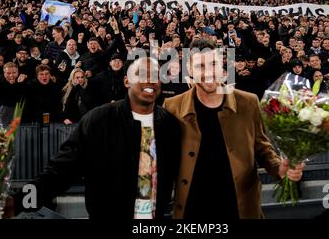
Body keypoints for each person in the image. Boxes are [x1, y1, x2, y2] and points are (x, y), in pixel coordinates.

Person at [17, 57, 181, 219]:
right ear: (126, 81)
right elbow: (60, 170)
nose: (150, 80)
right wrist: (19, 202)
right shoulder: (98, 120)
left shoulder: (170, 125)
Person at [163, 39, 305, 219]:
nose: (208, 72)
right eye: (200, 66)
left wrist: (280, 169)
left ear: (222, 66)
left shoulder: (248, 102)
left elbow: (262, 148)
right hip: (193, 210)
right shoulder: (172, 106)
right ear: (190, 70)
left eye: (213, 63)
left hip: (240, 209)